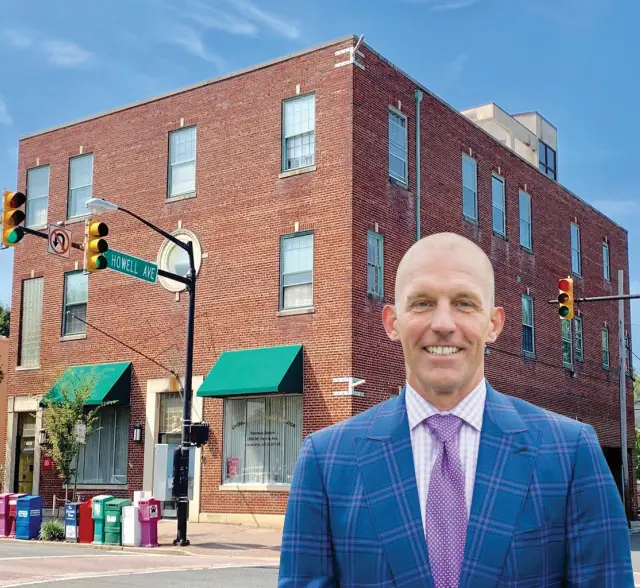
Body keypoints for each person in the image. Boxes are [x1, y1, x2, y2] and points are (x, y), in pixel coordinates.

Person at [278, 232, 634, 587]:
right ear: (392, 322)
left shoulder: (569, 453)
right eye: (421, 303)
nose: (444, 324)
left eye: (464, 303)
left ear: (493, 324)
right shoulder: (326, 462)